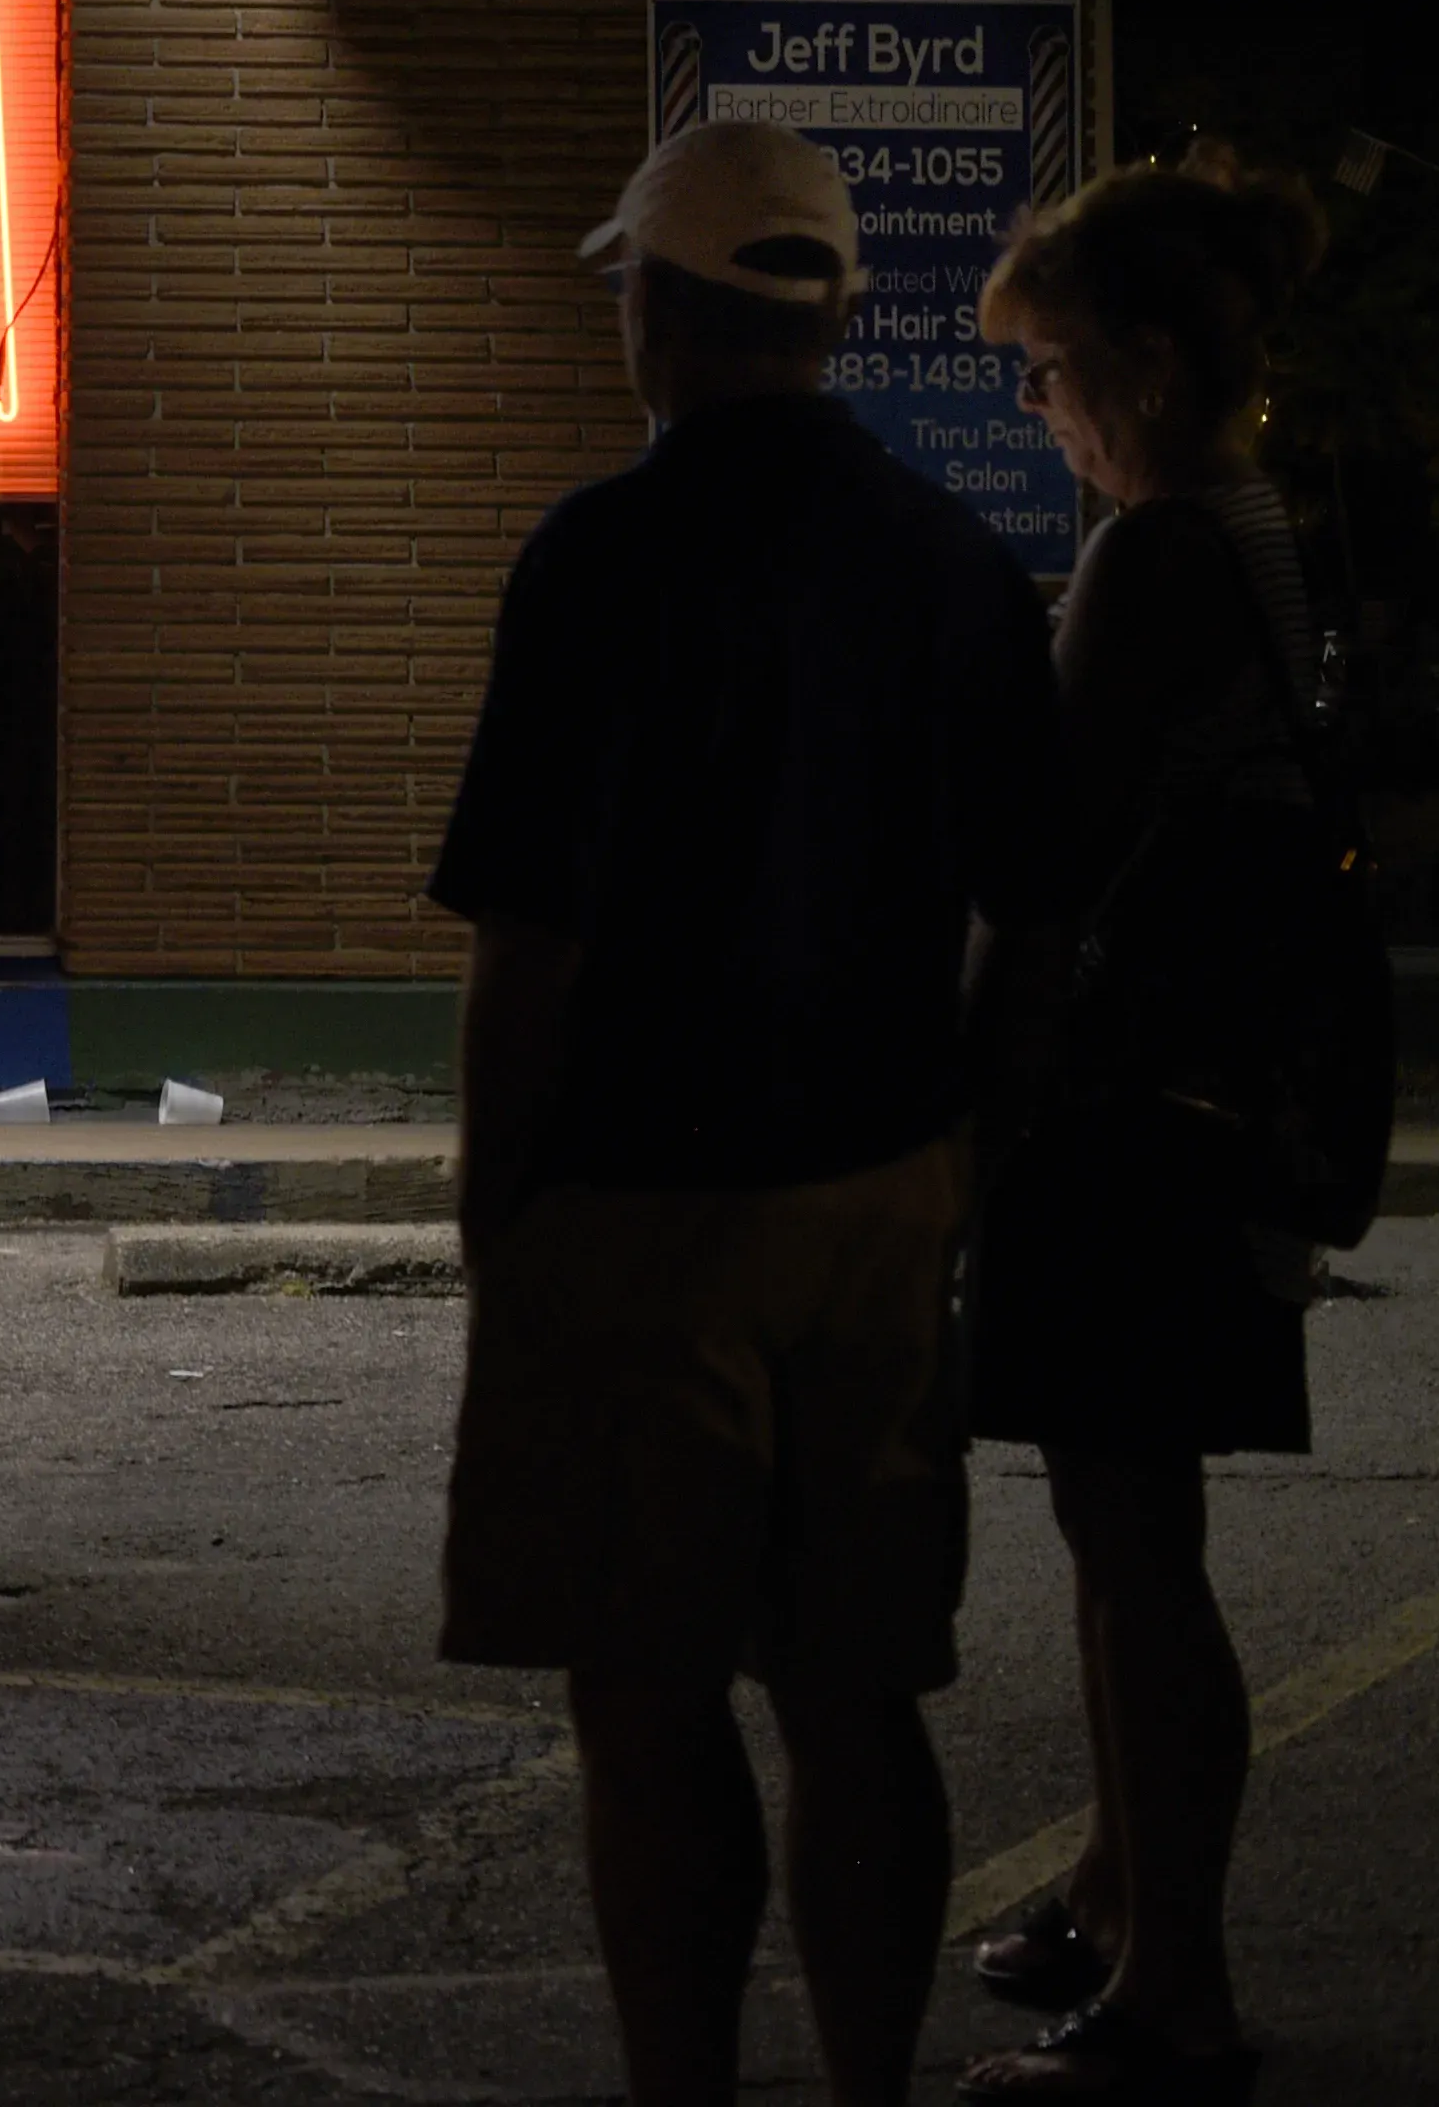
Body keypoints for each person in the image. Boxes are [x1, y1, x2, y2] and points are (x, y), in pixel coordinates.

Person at [431, 114, 1073, 2107]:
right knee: (855, 1687)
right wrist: (953, 1132)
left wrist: (490, 1187)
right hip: (877, 1183)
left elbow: (523, 925)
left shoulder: (594, 558)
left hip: (634, 1194)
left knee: (643, 1693)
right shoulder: (952, 564)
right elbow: (1035, 909)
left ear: (661, 306)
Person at [956, 156, 1340, 2106]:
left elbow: (1044, 848)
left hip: (1136, 1125)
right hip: (1219, 1112)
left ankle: (1167, 1984)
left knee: (1129, 1544)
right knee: (1128, 1529)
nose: (1038, 415)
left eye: (1049, 376)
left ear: (1143, 362)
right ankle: (1113, 1895)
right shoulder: (1234, 530)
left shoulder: (1159, 555)